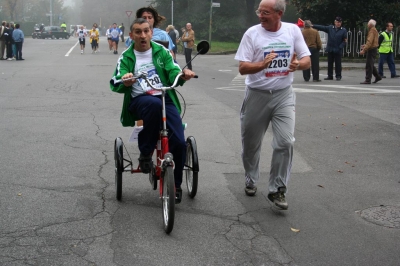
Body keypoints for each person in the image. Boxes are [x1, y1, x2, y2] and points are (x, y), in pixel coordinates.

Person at [234, 0, 310, 210]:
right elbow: (242, 68)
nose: (260, 15)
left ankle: (278, 189)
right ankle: (251, 177)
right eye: (259, 11)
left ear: (278, 13)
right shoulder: (252, 34)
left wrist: (297, 64)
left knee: (285, 142)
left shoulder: (292, 31)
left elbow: (307, 60)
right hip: (256, 95)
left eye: (265, 12)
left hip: (283, 95)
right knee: (250, 145)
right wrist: (262, 64)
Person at [109, 18, 196, 203]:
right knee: (153, 105)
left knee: (180, 143)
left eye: (146, 31)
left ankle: (176, 185)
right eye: (138, 32)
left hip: (165, 97)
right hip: (140, 100)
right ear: (131, 35)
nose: (143, 35)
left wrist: (182, 74)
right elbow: (116, 80)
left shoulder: (161, 51)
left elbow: (173, 71)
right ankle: (146, 153)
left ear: (151, 33)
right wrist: (125, 79)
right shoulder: (126, 57)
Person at [360, 19, 381, 84]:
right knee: (371, 64)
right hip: (373, 48)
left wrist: (364, 50)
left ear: (370, 25)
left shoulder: (372, 31)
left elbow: (369, 41)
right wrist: (365, 45)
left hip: (371, 49)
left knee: (369, 65)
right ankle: (377, 76)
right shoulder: (375, 30)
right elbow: (373, 42)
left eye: (368, 24)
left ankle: (368, 79)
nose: (367, 25)